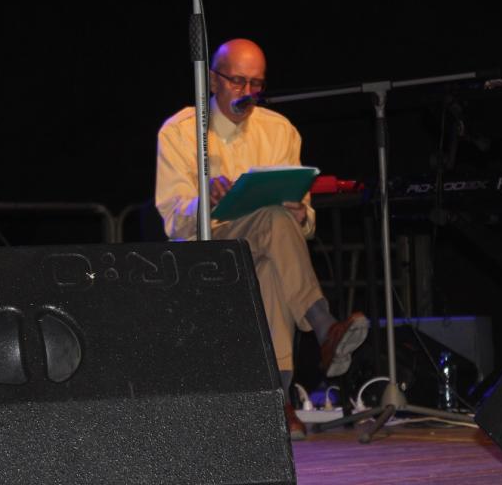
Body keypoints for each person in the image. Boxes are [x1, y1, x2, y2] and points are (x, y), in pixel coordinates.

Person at [155, 38, 368, 440]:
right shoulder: (181, 131)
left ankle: (278, 400)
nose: (248, 93)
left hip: (264, 248)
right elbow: (172, 220)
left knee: (271, 260)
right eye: (238, 81)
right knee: (272, 221)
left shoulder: (280, 130)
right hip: (205, 254)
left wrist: (302, 214)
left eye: (256, 84)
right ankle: (323, 326)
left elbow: (304, 218)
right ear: (212, 81)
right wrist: (205, 200)